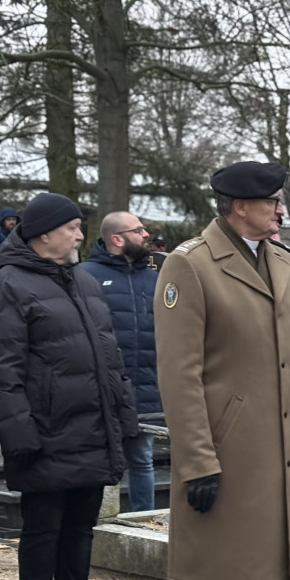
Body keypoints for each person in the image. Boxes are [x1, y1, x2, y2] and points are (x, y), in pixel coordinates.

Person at [155, 161, 290, 580]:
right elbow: (180, 375)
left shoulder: (281, 259)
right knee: (207, 575)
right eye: (272, 201)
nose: (280, 209)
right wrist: (198, 458)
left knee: (264, 570)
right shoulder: (190, 265)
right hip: (223, 450)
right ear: (237, 206)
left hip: (274, 450)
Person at [0, 192, 138, 580]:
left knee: (80, 531)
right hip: (45, 434)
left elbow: (110, 358)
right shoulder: (7, 284)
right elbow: (0, 370)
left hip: (92, 429)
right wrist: (19, 434)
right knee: (42, 532)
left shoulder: (82, 281)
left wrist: (123, 416)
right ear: (44, 233)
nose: (80, 235)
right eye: (72, 227)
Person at [77, 212, 160, 512]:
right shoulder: (85, 275)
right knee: (101, 460)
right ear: (117, 238)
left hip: (146, 387)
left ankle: (145, 520)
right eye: (138, 230)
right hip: (104, 387)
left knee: (142, 460)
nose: (145, 234)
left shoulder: (154, 277)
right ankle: (98, 521)